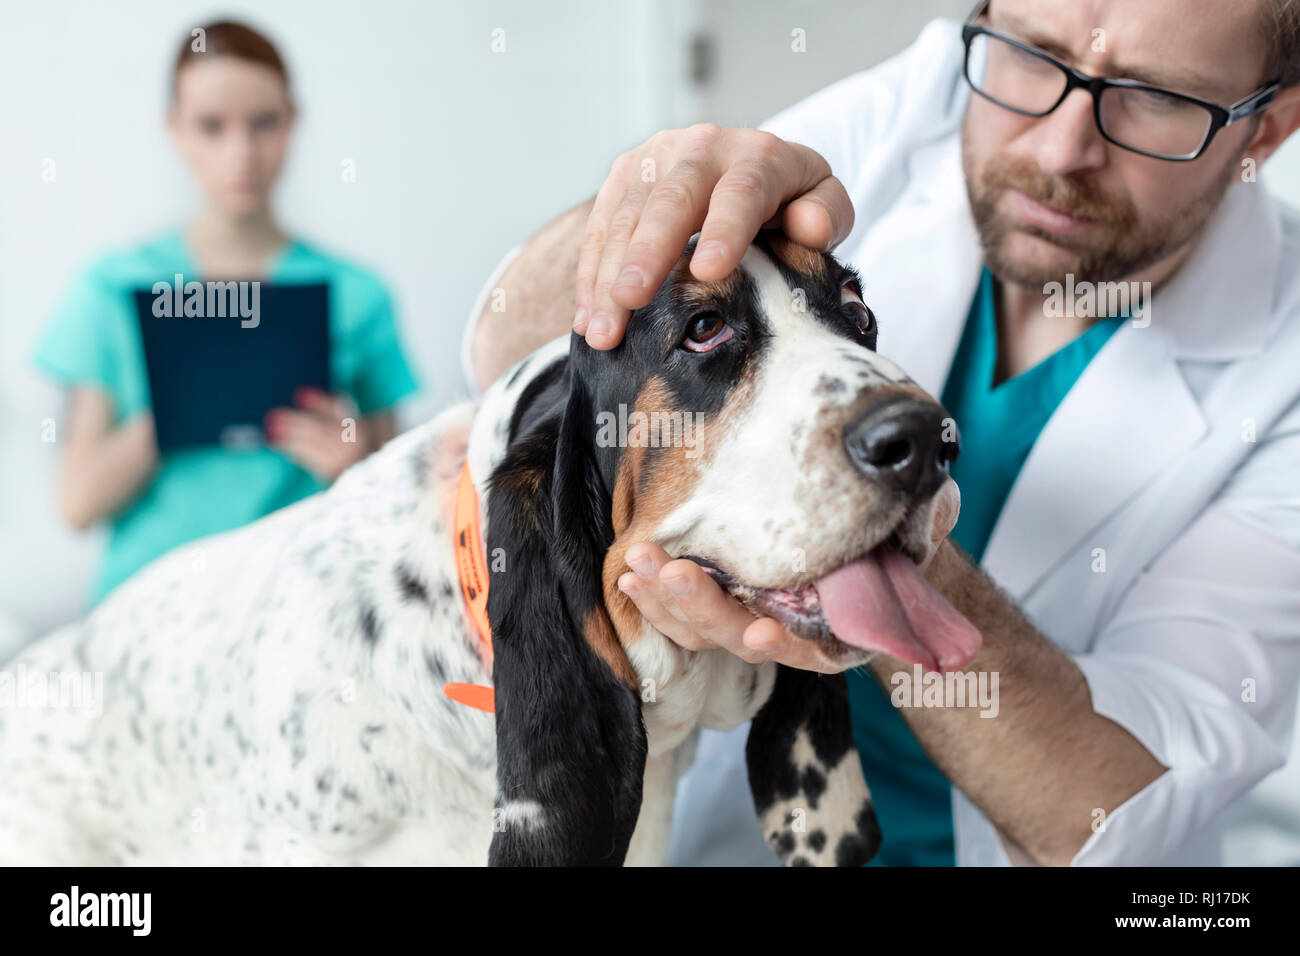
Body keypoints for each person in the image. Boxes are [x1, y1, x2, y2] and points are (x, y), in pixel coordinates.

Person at [462, 0, 1300, 866]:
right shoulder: (931, 91)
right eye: (1035, 55)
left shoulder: (1285, 382)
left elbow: (1106, 810)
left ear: (1267, 130)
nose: (1060, 150)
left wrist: (858, 520)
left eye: (1157, 97)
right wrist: (644, 210)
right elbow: (497, 343)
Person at [33, 21, 419, 607]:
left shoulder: (357, 295)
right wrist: (179, 405)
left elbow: (409, 499)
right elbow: (78, 502)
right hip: (144, 614)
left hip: (300, 611)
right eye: (212, 126)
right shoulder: (112, 287)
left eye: (264, 123)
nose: (241, 152)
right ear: (175, 130)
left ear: (292, 123)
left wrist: (353, 458)